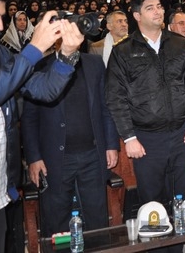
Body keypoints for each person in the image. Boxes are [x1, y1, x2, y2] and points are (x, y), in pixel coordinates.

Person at [0, 0, 83, 252]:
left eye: (1, 17)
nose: (0, 25)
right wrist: (35, 47)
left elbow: (45, 90)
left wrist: (67, 53)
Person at [105, 0, 185, 253]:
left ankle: (177, 248)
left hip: (180, 134)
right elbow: (116, 98)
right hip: (146, 139)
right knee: (153, 206)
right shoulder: (123, 50)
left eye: (160, 6)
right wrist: (129, 137)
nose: (158, 11)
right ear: (137, 15)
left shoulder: (180, 44)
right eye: (150, 8)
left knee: (180, 199)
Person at [22, 40, 119, 237]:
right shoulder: (40, 66)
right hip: (55, 159)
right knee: (57, 222)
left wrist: (111, 144)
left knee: (97, 219)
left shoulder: (94, 63)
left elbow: (106, 107)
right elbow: (29, 118)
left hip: (93, 155)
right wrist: (34, 157)